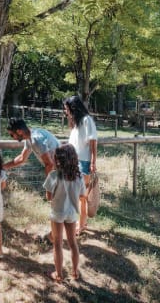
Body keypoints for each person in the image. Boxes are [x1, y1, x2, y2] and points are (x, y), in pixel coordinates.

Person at [43, 144, 85, 282]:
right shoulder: (79, 177)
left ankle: (59, 275)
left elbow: (48, 197)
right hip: (72, 213)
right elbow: (81, 196)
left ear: (58, 159)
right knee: (73, 243)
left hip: (57, 213)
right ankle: (75, 272)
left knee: (57, 244)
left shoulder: (53, 175)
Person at [63, 95, 97, 235]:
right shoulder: (76, 123)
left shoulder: (87, 120)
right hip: (73, 162)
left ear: (73, 108)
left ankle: (81, 224)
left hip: (84, 163)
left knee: (81, 196)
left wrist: (93, 162)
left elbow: (93, 142)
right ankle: (80, 222)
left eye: (67, 109)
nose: (66, 111)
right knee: (75, 195)